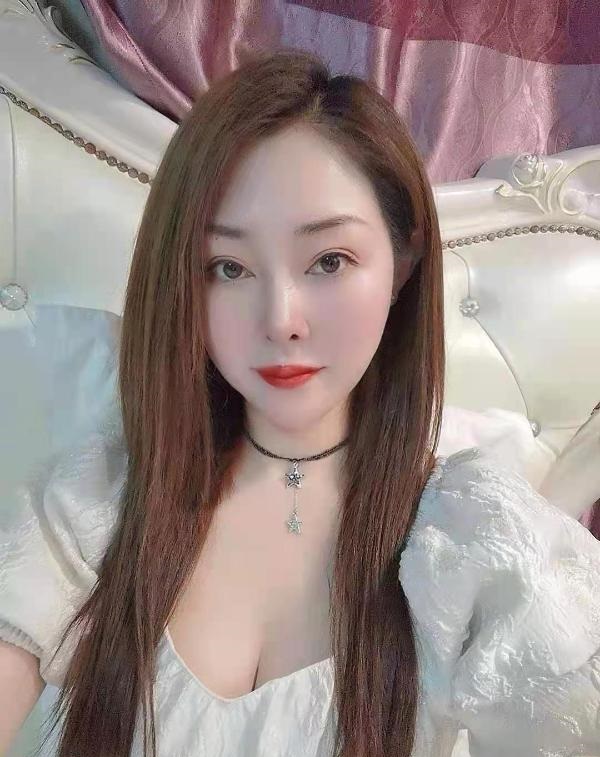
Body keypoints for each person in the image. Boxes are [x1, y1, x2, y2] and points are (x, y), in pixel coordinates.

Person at [1, 48, 599, 757]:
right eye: (229, 268)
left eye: (328, 261)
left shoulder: (476, 540)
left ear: (402, 266)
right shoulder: (102, 498)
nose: (281, 319)